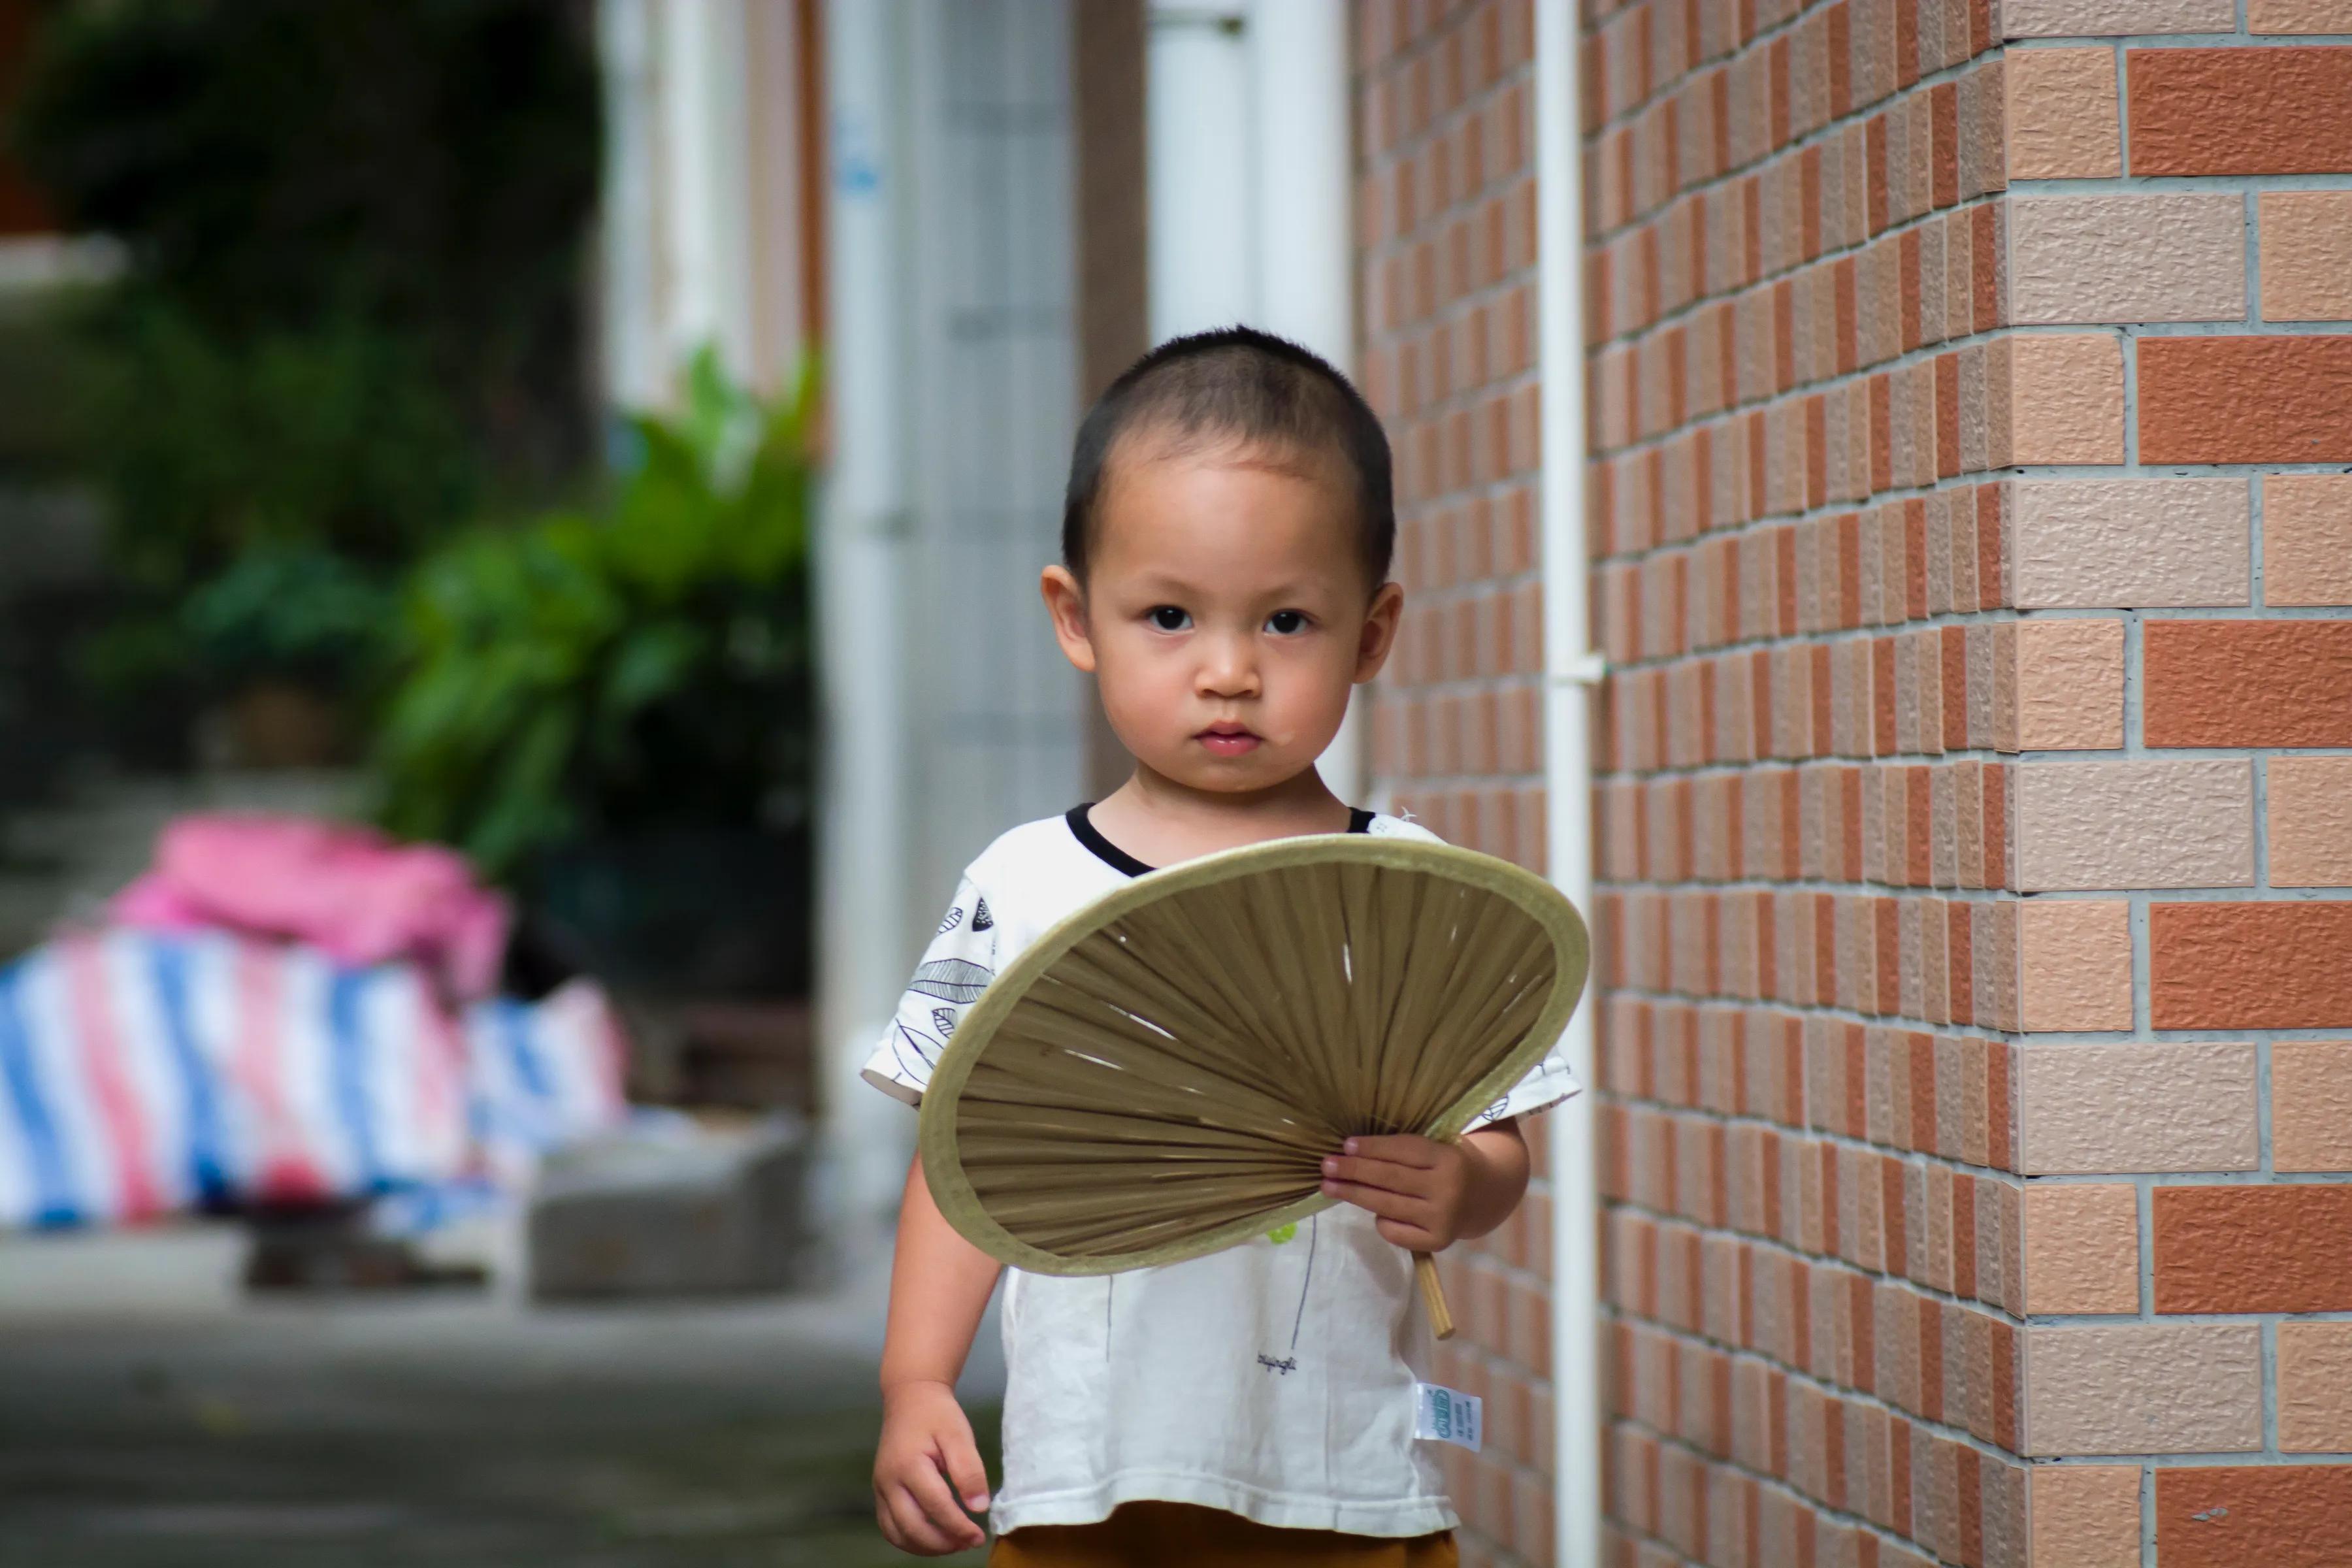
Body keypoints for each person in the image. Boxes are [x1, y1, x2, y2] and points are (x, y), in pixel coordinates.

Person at [864, 327, 1578, 1567]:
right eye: (1171, 616)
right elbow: (966, 1149)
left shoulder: (1408, 885)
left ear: (1372, 633)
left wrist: (1464, 1186)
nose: (1230, 671)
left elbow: (1499, 1136)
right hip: (1090, 1479)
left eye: (1288, 620)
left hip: (1343, 1479)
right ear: (1076, 618)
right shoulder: (1024, 885)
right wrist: (917, 1380)